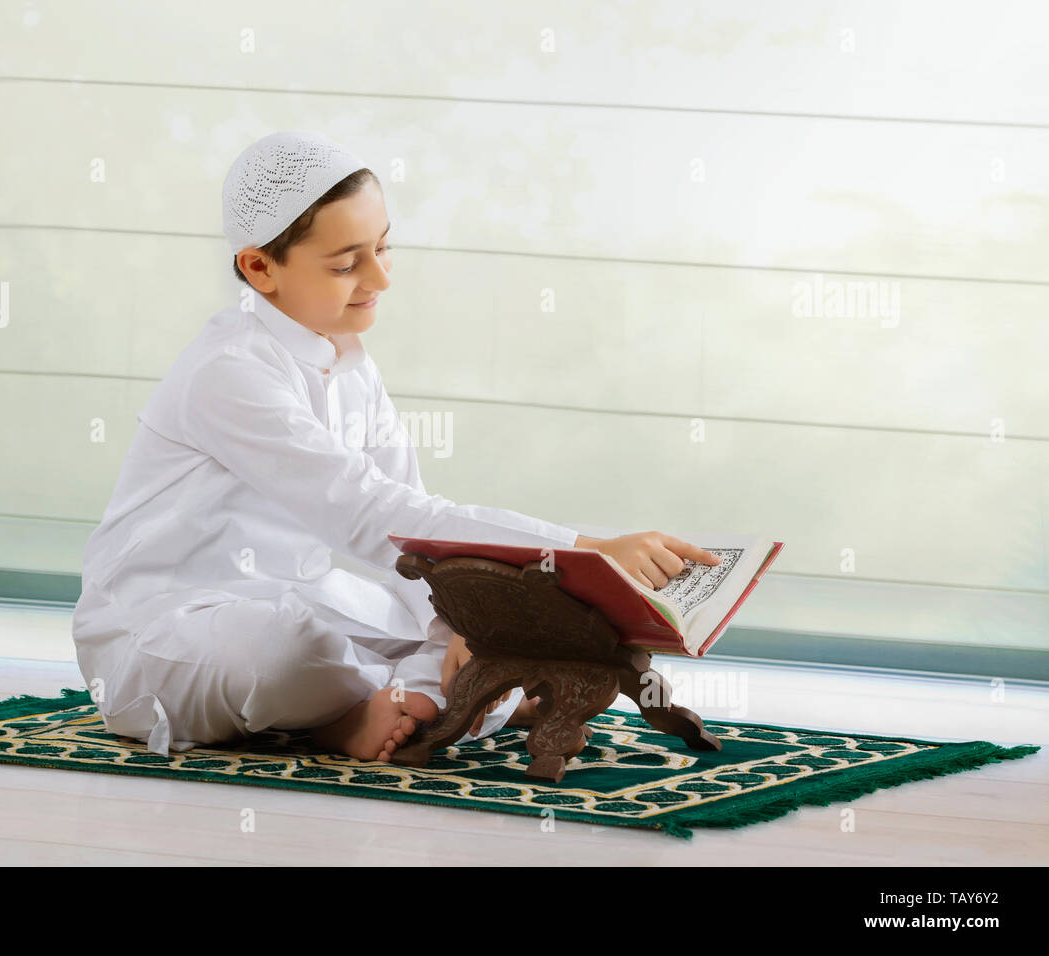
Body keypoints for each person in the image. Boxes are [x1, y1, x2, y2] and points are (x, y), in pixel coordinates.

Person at [71, 130, 720, 763]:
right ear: (260, 267)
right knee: (286, 652)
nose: (380, 275)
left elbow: (413, 532)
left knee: (449, 638)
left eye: (384, 247)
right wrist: (585, 547)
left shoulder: (350, 362)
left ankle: (432, 700)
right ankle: (350, 716)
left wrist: (464, 626)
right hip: (163, 634)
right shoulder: (227, 372)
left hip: (302, 607)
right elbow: (370, 516)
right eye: (348, 262)